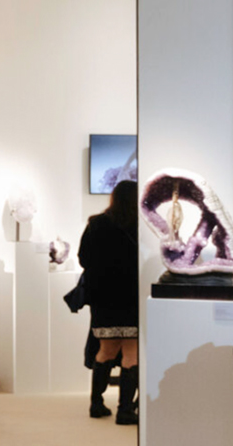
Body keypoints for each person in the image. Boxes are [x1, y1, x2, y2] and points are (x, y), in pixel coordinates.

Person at [78, 180, 139, 425]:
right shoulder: (140, 226)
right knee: (131, 353)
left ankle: (96, 404)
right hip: (131, 297)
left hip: (103, 298)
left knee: (105, 350)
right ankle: (125, 410)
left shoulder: (96, 224)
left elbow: (83, 259)